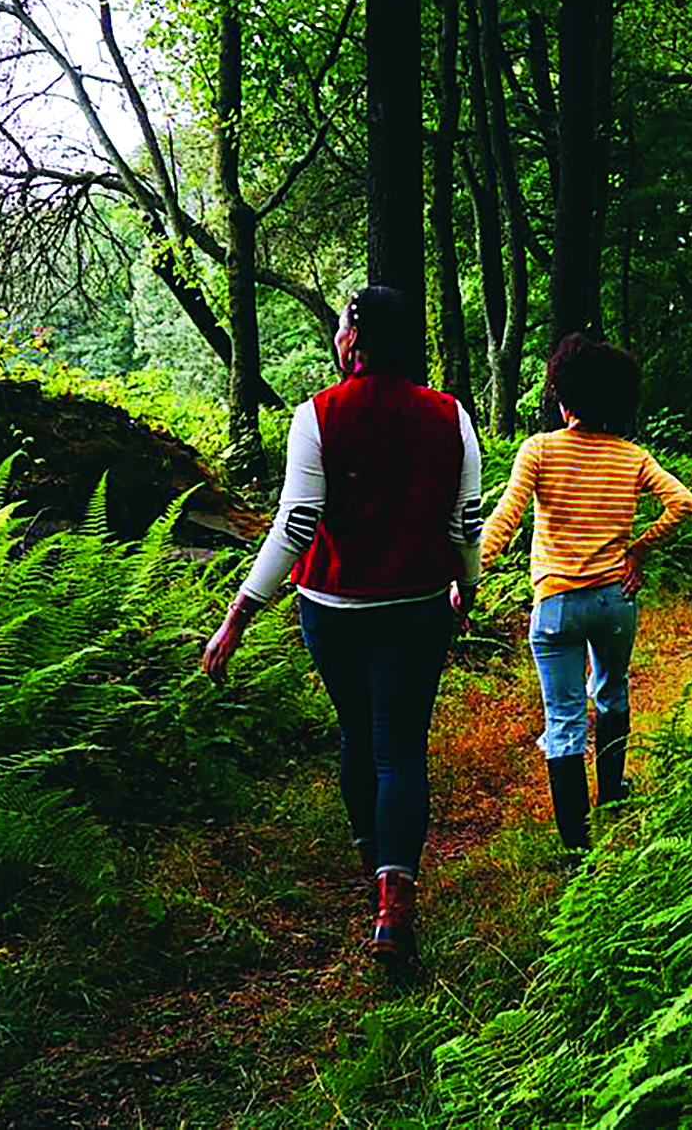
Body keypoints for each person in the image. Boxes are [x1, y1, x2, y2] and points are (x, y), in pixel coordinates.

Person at [202, 286, 482, 966]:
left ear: (353, 338)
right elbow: (465, 522)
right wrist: (465, 589)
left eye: (338, 328)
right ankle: (394, 904)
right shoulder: (452, 416)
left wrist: (240, 612)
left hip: (332, 611)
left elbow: (296, 525)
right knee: (401, 748)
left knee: (360, 736)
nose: (335, 338)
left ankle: (373, 876)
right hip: (417, 608)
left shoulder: (316, 415)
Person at [472, 334, 692, 862]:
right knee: (613, 692)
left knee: (565, 719)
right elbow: (683, 503)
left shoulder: (540, 449)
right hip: (615, 600)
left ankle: (577, 847)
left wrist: (466, 570)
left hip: (556, 605)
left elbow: (506, 518)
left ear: (564, 398)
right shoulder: (632, 456)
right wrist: (636, 550)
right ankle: (613, 792)